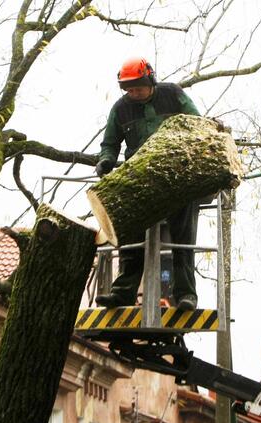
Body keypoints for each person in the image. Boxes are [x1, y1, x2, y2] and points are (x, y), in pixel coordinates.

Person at [94, 56, 201, 312]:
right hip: (140, 178)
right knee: (131, 236)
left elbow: (198, 125)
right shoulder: (121, 108)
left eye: (138, 88)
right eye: (129, 89)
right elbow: (110, 143)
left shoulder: (173, 95)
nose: (134, 93)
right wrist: (106, 161)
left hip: (177, 176)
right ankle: (122, 293)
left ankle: (185, 294)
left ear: (150, 80)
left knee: (181, 238)